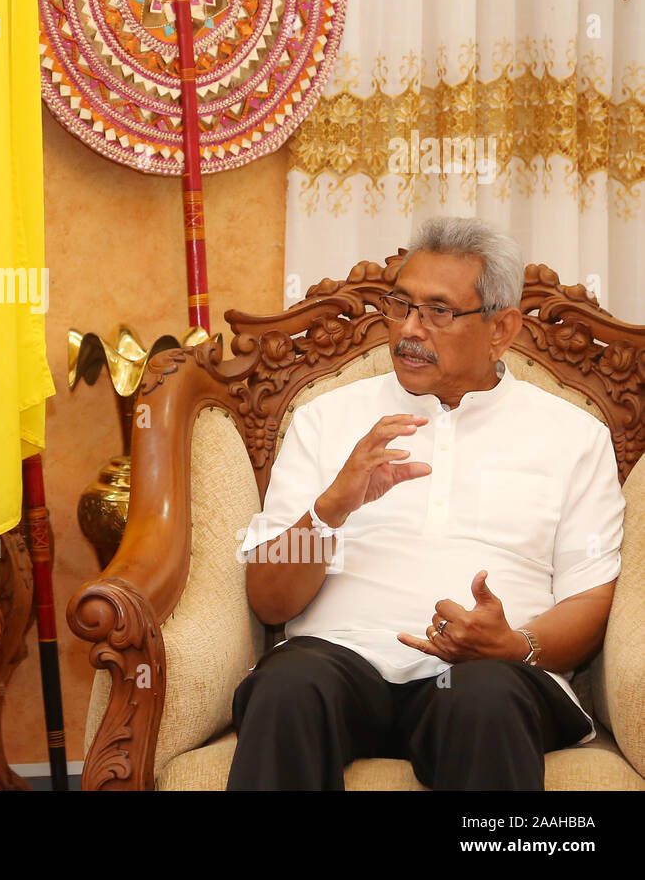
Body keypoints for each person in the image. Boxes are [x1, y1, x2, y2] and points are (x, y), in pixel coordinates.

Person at [232, 216, 623, 790]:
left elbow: (590, 598)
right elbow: (268, 601)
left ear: (501, 328)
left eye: (438, 311)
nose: (408, 330)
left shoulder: (574, 435)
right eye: (400, 305)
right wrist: (331, 507)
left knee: (484, 695)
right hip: (340, 663)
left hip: (486, 675)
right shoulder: (324, 419)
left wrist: (517, 644)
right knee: (288, 684)